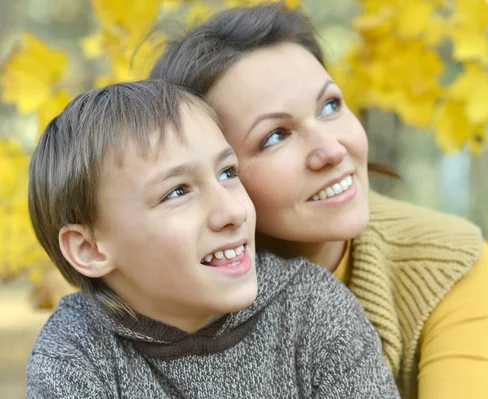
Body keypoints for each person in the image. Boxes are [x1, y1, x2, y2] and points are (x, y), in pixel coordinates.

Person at [150, 3, 488, 398]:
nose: (331, 149)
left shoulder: (448, 266)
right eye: (275, 136)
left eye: (330, 106)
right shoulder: (155, 292)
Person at [26, 80, 400, 398]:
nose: (233, 211)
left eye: (227, 173)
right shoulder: (74, 355)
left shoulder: (312, 310)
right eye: (177, 192)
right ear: (90, 249)